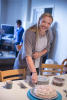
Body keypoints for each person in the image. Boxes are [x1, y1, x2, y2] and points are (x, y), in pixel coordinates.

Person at [14, 13, 53, 83]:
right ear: (39, 20)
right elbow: (28, 55)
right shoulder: (29, 32)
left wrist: (40, 54)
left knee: (33, 87)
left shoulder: (49, 32)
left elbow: (48, 47)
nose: (46, 25)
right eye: (44, 22)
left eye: (49, 23)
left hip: (37, 65)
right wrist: (34, 72)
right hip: (24, 66)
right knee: (21, 87)